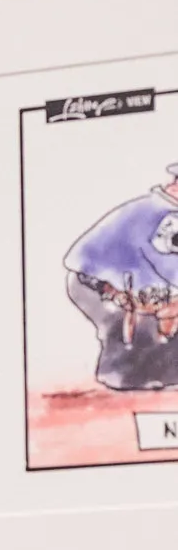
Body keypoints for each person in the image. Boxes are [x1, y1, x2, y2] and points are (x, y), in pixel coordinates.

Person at [63, 163, 178, 390]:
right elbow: (166, 264)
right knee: (133, 329)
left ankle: (164, 374)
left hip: (127, 285)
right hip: (95, 285)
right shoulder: (163, 214)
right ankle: (121, 375)